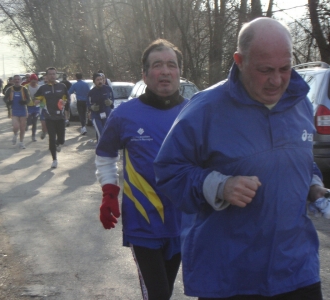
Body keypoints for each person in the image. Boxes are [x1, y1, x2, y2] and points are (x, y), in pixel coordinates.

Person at [154, 18, 326, 299]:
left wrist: (313, 185)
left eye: (285, 68)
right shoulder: (206, 108)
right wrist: (219, 186)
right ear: (240, 60)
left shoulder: (300, 102)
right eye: (265, 70)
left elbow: (300, 159)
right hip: (230, 276)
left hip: (296, 270)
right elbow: (168, 172)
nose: (277, 80)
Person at [95, 39, 188, 300]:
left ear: (179, 72)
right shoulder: (125, 114)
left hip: (181, 222)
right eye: (157, 65)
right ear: (145, 75)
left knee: (164, 292)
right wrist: (109, 192)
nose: (166, 71)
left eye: (172, 65)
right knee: (157, 295)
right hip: (143, 223)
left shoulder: (194, 111)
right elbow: (105, 153)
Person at [34, 67, 69, 168]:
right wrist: (37, 101)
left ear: (56, 75)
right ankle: (54, 159)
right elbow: (36, 100)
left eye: (54, 74)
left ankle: (58, 143)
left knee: (61, 140)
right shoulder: (43, 88)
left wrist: (64, 103)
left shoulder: (62, 86)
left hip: (60, 117)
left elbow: (66, 100)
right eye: (50, 74)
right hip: (49, 117)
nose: (52, 76)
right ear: (46, 76)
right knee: (52, 138)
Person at [3, 75, 30, 149]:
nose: (17, 80)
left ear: (21, 80)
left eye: (18, 79)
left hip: (23, 110)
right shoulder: (10, 89)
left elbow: (28, 99)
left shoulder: (24, 89)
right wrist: (8, 102)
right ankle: (15, 134)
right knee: (16, 127)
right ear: (13, 81)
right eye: (15, 79)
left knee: (22, 128)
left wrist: (25, 102)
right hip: (14, 110)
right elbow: (5, 98)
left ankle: (21, 142)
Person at [88, 73, 113, 142]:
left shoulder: (108, 89)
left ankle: (102, 150)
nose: (100, 81)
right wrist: (91, 107)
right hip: (96, 116)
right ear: (94, 82)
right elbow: (88, 103)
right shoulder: (91, 92)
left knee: (107, 133)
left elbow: (112, 99)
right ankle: (101, 151)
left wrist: (111, 102)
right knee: (101, 134)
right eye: (97, 80)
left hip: (107, 115)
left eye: (101, 79)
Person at [25, 74, 41, 142]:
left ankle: (33, 136)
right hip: (28, 106)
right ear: (30, 80)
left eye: (35, 81)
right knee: (29, 120)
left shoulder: (39, 88)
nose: (34, 82)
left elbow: (42, 97)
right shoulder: (26, 87)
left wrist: (40, 101)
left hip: (36, 107)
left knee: (35, 122)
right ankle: (27, 124)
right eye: (32, 81)